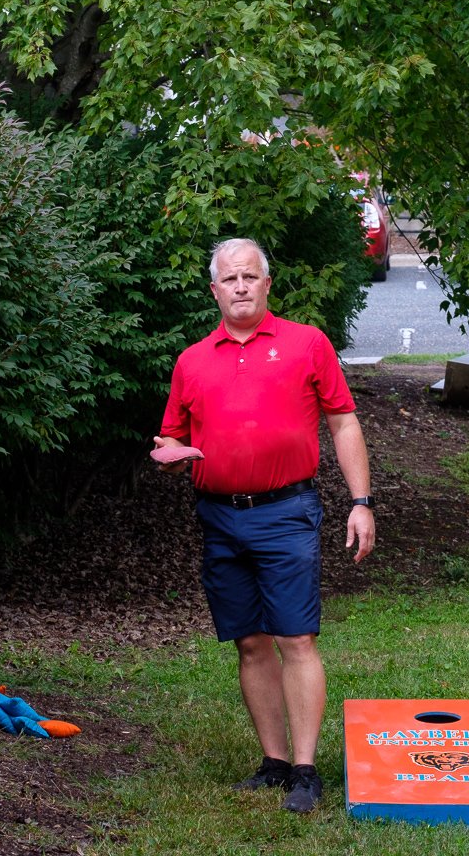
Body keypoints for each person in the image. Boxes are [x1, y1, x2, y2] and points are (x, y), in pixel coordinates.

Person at [155, 238, 376, 814]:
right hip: (220, 518)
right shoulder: (191, 361)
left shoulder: (307, 343)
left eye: (250, 276)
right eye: (230, 279)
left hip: (287, 512)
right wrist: (170, 453)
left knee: (296, 638)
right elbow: (172, 436)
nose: (241, 286)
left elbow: (344, 424)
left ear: (267, 284)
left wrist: (362, 501)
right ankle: (275, 762)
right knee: (250, 642)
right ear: (214, 291)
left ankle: (307, 771)